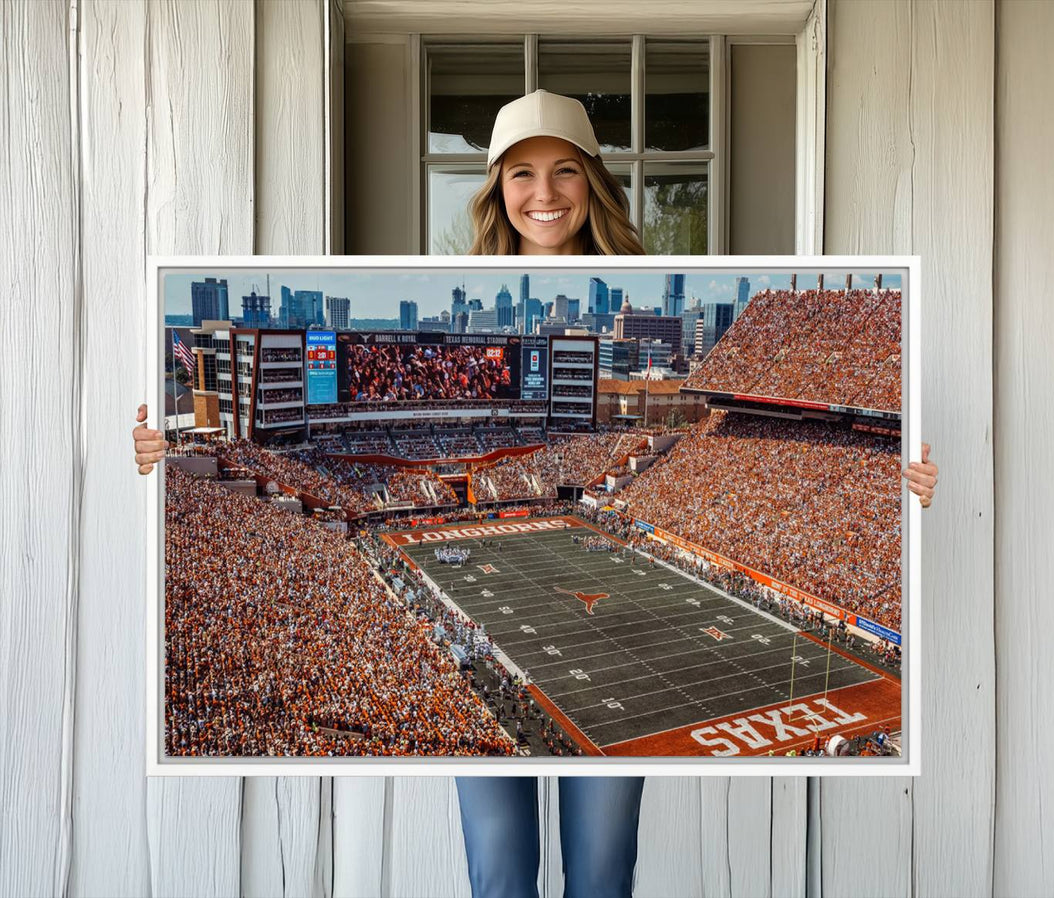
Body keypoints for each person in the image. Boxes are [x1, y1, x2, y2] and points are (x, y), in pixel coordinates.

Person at [131, 88, 940, 898]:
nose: (544, 194)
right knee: (501, 873)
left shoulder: (635, 278)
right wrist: (154, 456)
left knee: (600, 872)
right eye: (521, 174)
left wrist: (909, 484)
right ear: (496, 189)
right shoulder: (456, 279)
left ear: (593, 180)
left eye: (564, 172)